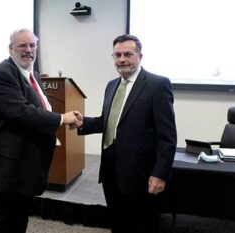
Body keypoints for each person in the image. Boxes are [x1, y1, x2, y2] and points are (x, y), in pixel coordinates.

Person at [0, 28, 81, 233]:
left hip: (17, 171)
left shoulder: (32, 75)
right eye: (22, 45)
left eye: (32, 45)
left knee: (15, 224)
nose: (28, 50)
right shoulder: (1, 74)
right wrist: (62, 118)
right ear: (11, 49)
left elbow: (38, 111)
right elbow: (21, 113)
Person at [77, 34, 177, 233]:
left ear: (140, 56)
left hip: (140, 175)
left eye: (128, 54)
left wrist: (160, 174)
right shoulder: (111, 85)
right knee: (118, 222)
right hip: (110, 171)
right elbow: (109, 122)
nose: (122, 59)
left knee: (140, 225)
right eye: (117, 55)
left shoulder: (157, 85)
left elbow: (167, 137)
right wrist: (83, 123)